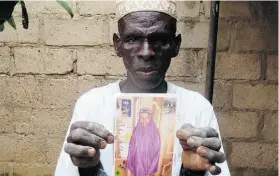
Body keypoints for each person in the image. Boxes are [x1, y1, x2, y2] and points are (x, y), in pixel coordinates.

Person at [55, 0, 231, 175]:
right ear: (118, 44)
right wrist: (89, 168)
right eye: (132, 39)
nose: (146, 52)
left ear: (175, 45)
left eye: (159, 39)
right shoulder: (90, 105)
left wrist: (193, 172)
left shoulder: (198, 107)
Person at [126, 108, 161, 176]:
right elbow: (131, 151)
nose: (144, 120)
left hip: (148, 170)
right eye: (141, 117)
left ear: (150, 118)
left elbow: (156, 154)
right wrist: (130, 168)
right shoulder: (136, 131)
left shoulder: (155, 134)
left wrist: (150, 171)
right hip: (136, 169)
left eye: (147, 118)